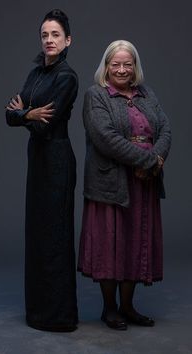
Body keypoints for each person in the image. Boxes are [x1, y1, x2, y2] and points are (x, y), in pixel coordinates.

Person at [78, 40, 171, 330]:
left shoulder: (147, 94)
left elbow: (165, 129)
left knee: (135, 241)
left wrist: (155, 159)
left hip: (143, 184)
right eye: (115, 64)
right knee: (110, 244)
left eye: (127, 64)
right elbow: (105, 138)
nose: (121, 69)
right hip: (111, 181)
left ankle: (129, 306)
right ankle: (110, 309)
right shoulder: (96, 96)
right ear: (106, 67)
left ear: (135, 68)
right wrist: (147, 162)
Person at [6, 9, 78, 332]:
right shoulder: (36, 73)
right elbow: (10, 114)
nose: (49, 40)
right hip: (37, 162)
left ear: (67, 41)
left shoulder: (67, 77)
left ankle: (59, 317)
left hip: (57, 161)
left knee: (55, 237)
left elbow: (45, 128)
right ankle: (36, 312)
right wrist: (27, 114)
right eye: (45, 35)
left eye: (55, 35)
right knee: (36, 236)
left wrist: (28, 115)